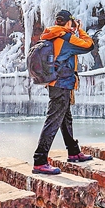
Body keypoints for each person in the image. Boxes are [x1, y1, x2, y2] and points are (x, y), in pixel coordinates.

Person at [32, 9, 95, 174]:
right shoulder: (66, 38)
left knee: (65, 118)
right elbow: (89, 45)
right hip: (62, 84)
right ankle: (40, 160)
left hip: (55, 83)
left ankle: (73, 152)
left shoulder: (51, 35)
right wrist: (79, 29)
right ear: (69, 22)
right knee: (53, 120)